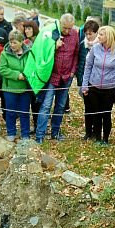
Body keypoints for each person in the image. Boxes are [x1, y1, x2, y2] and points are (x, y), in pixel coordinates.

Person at [36, 13, 78, 142]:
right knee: (46, 105)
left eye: (69, 28)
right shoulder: (51, 33)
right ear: (60, 23)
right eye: (64, 28)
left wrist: (72, 71)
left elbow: (76, 54)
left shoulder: (75, 34)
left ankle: (55, 132)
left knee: (60, 106)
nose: (66, 31)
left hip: (66, 76)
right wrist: (54, 46)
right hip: (52, 75)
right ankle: (40, 135)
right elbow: (42, 52)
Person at [82, 25, 115, 143]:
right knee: (96, 113)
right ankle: (97, 137)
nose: (98, 36)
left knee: (106, 114)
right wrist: (85, 85)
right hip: (94, 87)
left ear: (109, 36)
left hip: (109, 89)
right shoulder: (95, 48)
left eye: (101, 34)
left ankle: (105, 138)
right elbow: (88, 67)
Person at [0, 29, 31, 141]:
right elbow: (2, 69)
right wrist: (17, 75)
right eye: (11, 42)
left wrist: (25, 75)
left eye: (15, 42)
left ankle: (25, 133)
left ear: (21, 42)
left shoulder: (28, 53)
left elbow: (31, 67)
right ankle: (11, 132)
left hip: (24, 88)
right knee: (10, 112)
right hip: (10, 88)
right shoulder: (4, 54)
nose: (12, 45)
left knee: (24, 112)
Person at [77, 19, 99, 139]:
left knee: (97, 108)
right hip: (85, 82)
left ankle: (96, 132)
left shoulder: (100, 46)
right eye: (86, 34)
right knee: (88, 108)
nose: (88, 36)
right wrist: (81, 80)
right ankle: (88, 132)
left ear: (96, 33)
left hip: (96, 82)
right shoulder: (82, 45)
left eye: (91, 34)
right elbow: (80, 63)